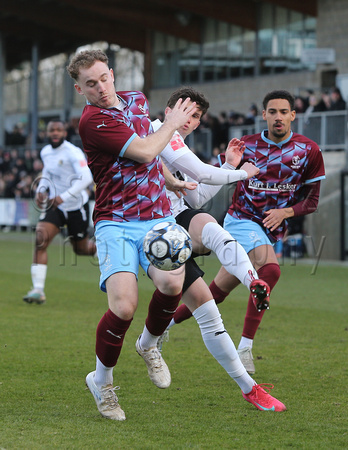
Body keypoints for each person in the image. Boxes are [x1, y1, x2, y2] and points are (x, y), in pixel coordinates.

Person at [66, 49, 200, 421]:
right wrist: (172, 123)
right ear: (81, 89)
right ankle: (103, 381)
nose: (101, 88)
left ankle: (149, 344)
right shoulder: (93, 121)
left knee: (173, 285)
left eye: (103, 78)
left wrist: (170, 180)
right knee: (124, 306)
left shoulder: (137, 101)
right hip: (116, 221)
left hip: (156, 218)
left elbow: (153, 158)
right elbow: (143, 151)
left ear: (112, 74)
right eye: (90, 84)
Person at [166, 89, 326, 375]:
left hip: (271, 227)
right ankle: (245, 348)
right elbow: (209, 179)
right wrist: (228, 165)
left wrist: (286, 212)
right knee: (271, 271)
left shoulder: (309, 150)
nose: (278, 117)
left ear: (293, 115)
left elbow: (311, 200)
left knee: (215, 292)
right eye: (272, 112)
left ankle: (164, 326)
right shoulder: (245, 146)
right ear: (263, 114)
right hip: (241, 219)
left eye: (283, 112)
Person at [152, 87, 286, 412]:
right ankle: (144, 346)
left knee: (215, 238)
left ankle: (253, 281)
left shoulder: (176, 141)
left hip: (176, 218)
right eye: (187, 111)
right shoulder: (155, 131)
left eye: (197, 117)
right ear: (170, 109)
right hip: (149, 225)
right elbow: (200, 173)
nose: (191, 120)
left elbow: (196, 197)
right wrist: (239, 172)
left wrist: (225, 165)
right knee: (125, 308)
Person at [23, 120, 97, 304]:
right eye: (51, 130)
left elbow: (87, 178)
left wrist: (64, 196)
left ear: (64, 133)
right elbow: (48, 173)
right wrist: (41, 189)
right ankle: (38, 290)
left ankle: (102, 250)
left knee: (81, 249)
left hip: (75, 207)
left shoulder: (73, 152)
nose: (55, 133)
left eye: (58, 130)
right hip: (56, 207)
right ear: (47, 133)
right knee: (40, 240)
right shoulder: (46, 152)